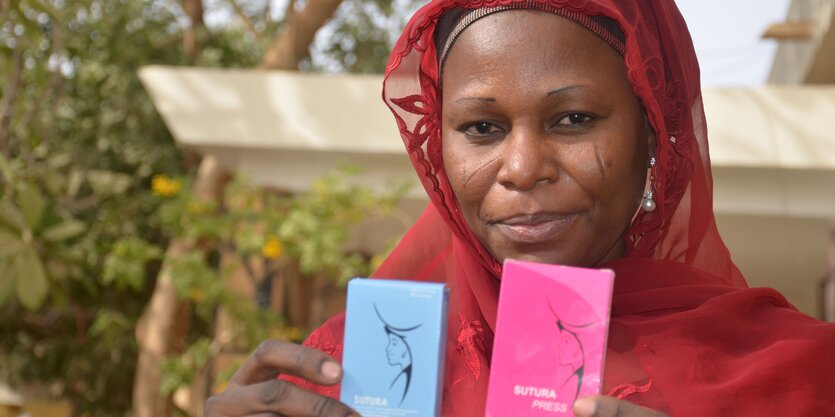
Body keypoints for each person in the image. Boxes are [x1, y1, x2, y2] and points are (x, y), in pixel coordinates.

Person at [205, 0, 835, 416]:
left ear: (653, 135)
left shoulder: (798, 374)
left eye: (573, 118)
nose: (523, 167)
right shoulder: (343, 370)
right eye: (482, 127)